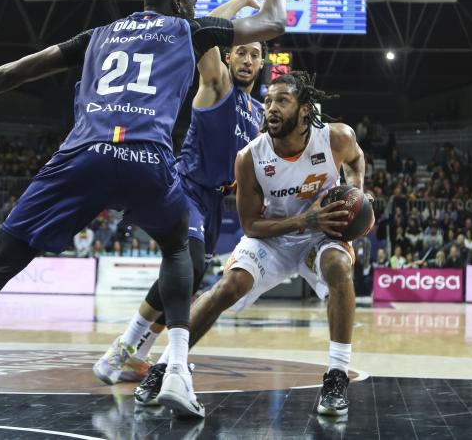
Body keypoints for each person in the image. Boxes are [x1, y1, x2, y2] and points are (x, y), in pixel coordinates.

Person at [0, 0, 287, 432]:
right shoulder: (186, 30)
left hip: (79, 157)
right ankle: (176, 373)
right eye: (191, 6)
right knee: (177, 250)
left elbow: (13, 71)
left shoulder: (96, 36)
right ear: (181, 4)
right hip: (145, 158)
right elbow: (274, 20)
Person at [134, 72, 372, 417]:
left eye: (282, 101)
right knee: (228, 286)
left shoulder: (336, 137)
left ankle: (337, 376)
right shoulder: (249, 157)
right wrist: (304, 220)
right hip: (274, 235)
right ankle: (168, 366)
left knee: (338, 267)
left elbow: (356, 159)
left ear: (304, 109)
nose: (271, 108)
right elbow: (250, 225)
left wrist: (357, 192)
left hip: (320, 235)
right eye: (269, 101)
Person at [93, 0, 266, 385]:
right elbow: (196, 32)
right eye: (241, 51)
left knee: (186, 283)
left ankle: (137, 356)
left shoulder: (259, 112)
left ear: (261, 64)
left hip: (215, 201)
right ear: (228, 55)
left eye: (255, 54)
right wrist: (240, 0)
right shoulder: (217, 84)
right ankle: (121, 349)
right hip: (184, 186)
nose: (247, 59)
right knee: (188, 266)